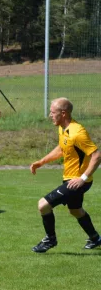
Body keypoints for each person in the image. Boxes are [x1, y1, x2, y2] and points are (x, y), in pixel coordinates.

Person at [29, 97, 101, 253]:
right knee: (75, 210)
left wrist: (82, 178)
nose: (50, 115)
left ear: (63, 113)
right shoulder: (63, 128)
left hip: (77, 181)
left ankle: (50, 240)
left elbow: (96, 155)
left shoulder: (78, 132)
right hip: (70, 178)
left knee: (43, 205)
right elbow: (62, 148)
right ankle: (95, 238)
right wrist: (41, 162)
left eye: (52, 112)